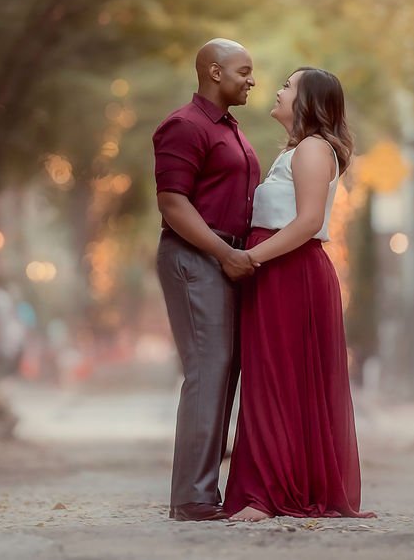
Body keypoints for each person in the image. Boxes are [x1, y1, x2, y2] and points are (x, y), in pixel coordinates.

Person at [224, 67, 375, 521]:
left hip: (291, 272)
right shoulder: (294, 152)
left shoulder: (312, 149)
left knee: (280, 380)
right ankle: (268, 488)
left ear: (308, 100)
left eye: (288, 86)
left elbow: (308, 222)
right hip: (276, 271)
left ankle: (270, 495)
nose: (277, 90)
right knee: (269, 379)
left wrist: (251, 259)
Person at [153, 38, 261, 522]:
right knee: (208, 370)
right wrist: (222, 253)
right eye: (244, 71)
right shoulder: (184, 126)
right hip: (196, 256)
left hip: (225, 259)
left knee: (225, 371)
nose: (252, 80)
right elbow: (173, 204)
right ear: (214, 72)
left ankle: (204, 490)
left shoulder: (229, 129)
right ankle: (192, 498)